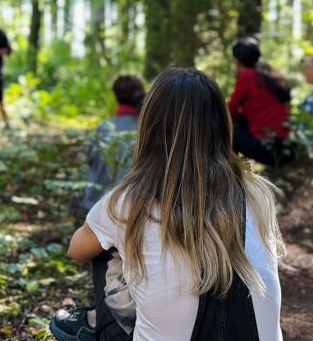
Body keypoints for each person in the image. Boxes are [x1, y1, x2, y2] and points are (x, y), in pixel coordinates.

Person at [51, 67, 284, 341]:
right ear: (222, 125)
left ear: (149, 125)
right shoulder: (256, 193)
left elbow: (76, 250)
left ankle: (92, 321)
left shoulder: (130, 200)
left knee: (103, 249)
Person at [76, 75, 146, 214]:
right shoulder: (147, 130)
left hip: (94, 204)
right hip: (131, 211)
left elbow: (90, 161)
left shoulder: (103, 128)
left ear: (116, 98)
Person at [227, 38, 292, 166]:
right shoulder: (267, 74)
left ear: (237, 61)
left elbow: (230, 110)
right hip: (286, 146)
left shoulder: (247, 76)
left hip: (268, 149)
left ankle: (233, 173)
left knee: (228, 130)